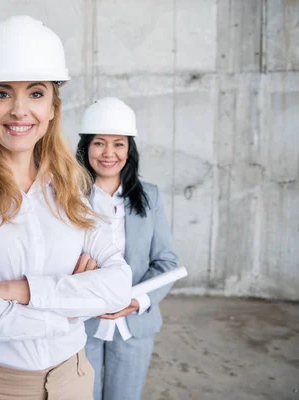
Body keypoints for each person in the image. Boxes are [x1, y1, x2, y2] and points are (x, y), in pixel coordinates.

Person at [0, 16, 132, 400]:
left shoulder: (72, 188)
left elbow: (119, 287)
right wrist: (72, 307)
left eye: (36, 93)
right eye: (3, 93)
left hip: (72, 379)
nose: (20, 110)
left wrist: (14, 290)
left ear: (53, 107)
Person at [76, 97, 179, 400]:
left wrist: (136, 301)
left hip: (134, 324)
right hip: (81, 324)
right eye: (99, 143)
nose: (109, 153)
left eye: (118, 144)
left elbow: (166, 261)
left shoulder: (150, 196)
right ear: (86, 148)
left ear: (129, 150)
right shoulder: (67, 195)